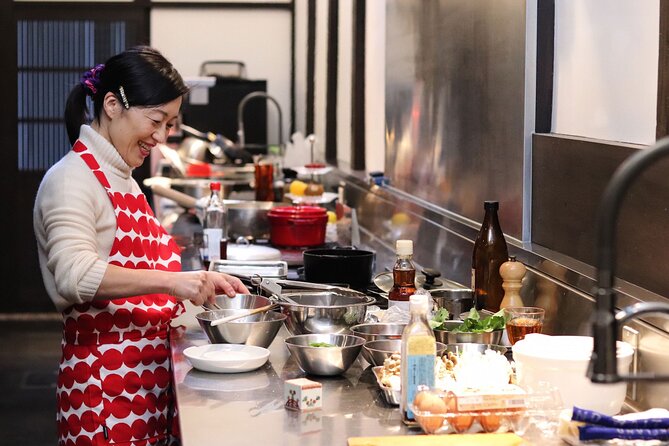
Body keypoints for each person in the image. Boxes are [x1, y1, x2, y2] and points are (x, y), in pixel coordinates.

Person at [33, 46, 249, 445]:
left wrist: (199, 280)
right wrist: (173, 283)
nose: (162, 136)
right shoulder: (72, 180)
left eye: (170, 123)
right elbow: (74, 276)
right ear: (112, 104)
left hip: (143, 384)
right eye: (156, 120)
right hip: (103, 393)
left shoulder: (122, 176)